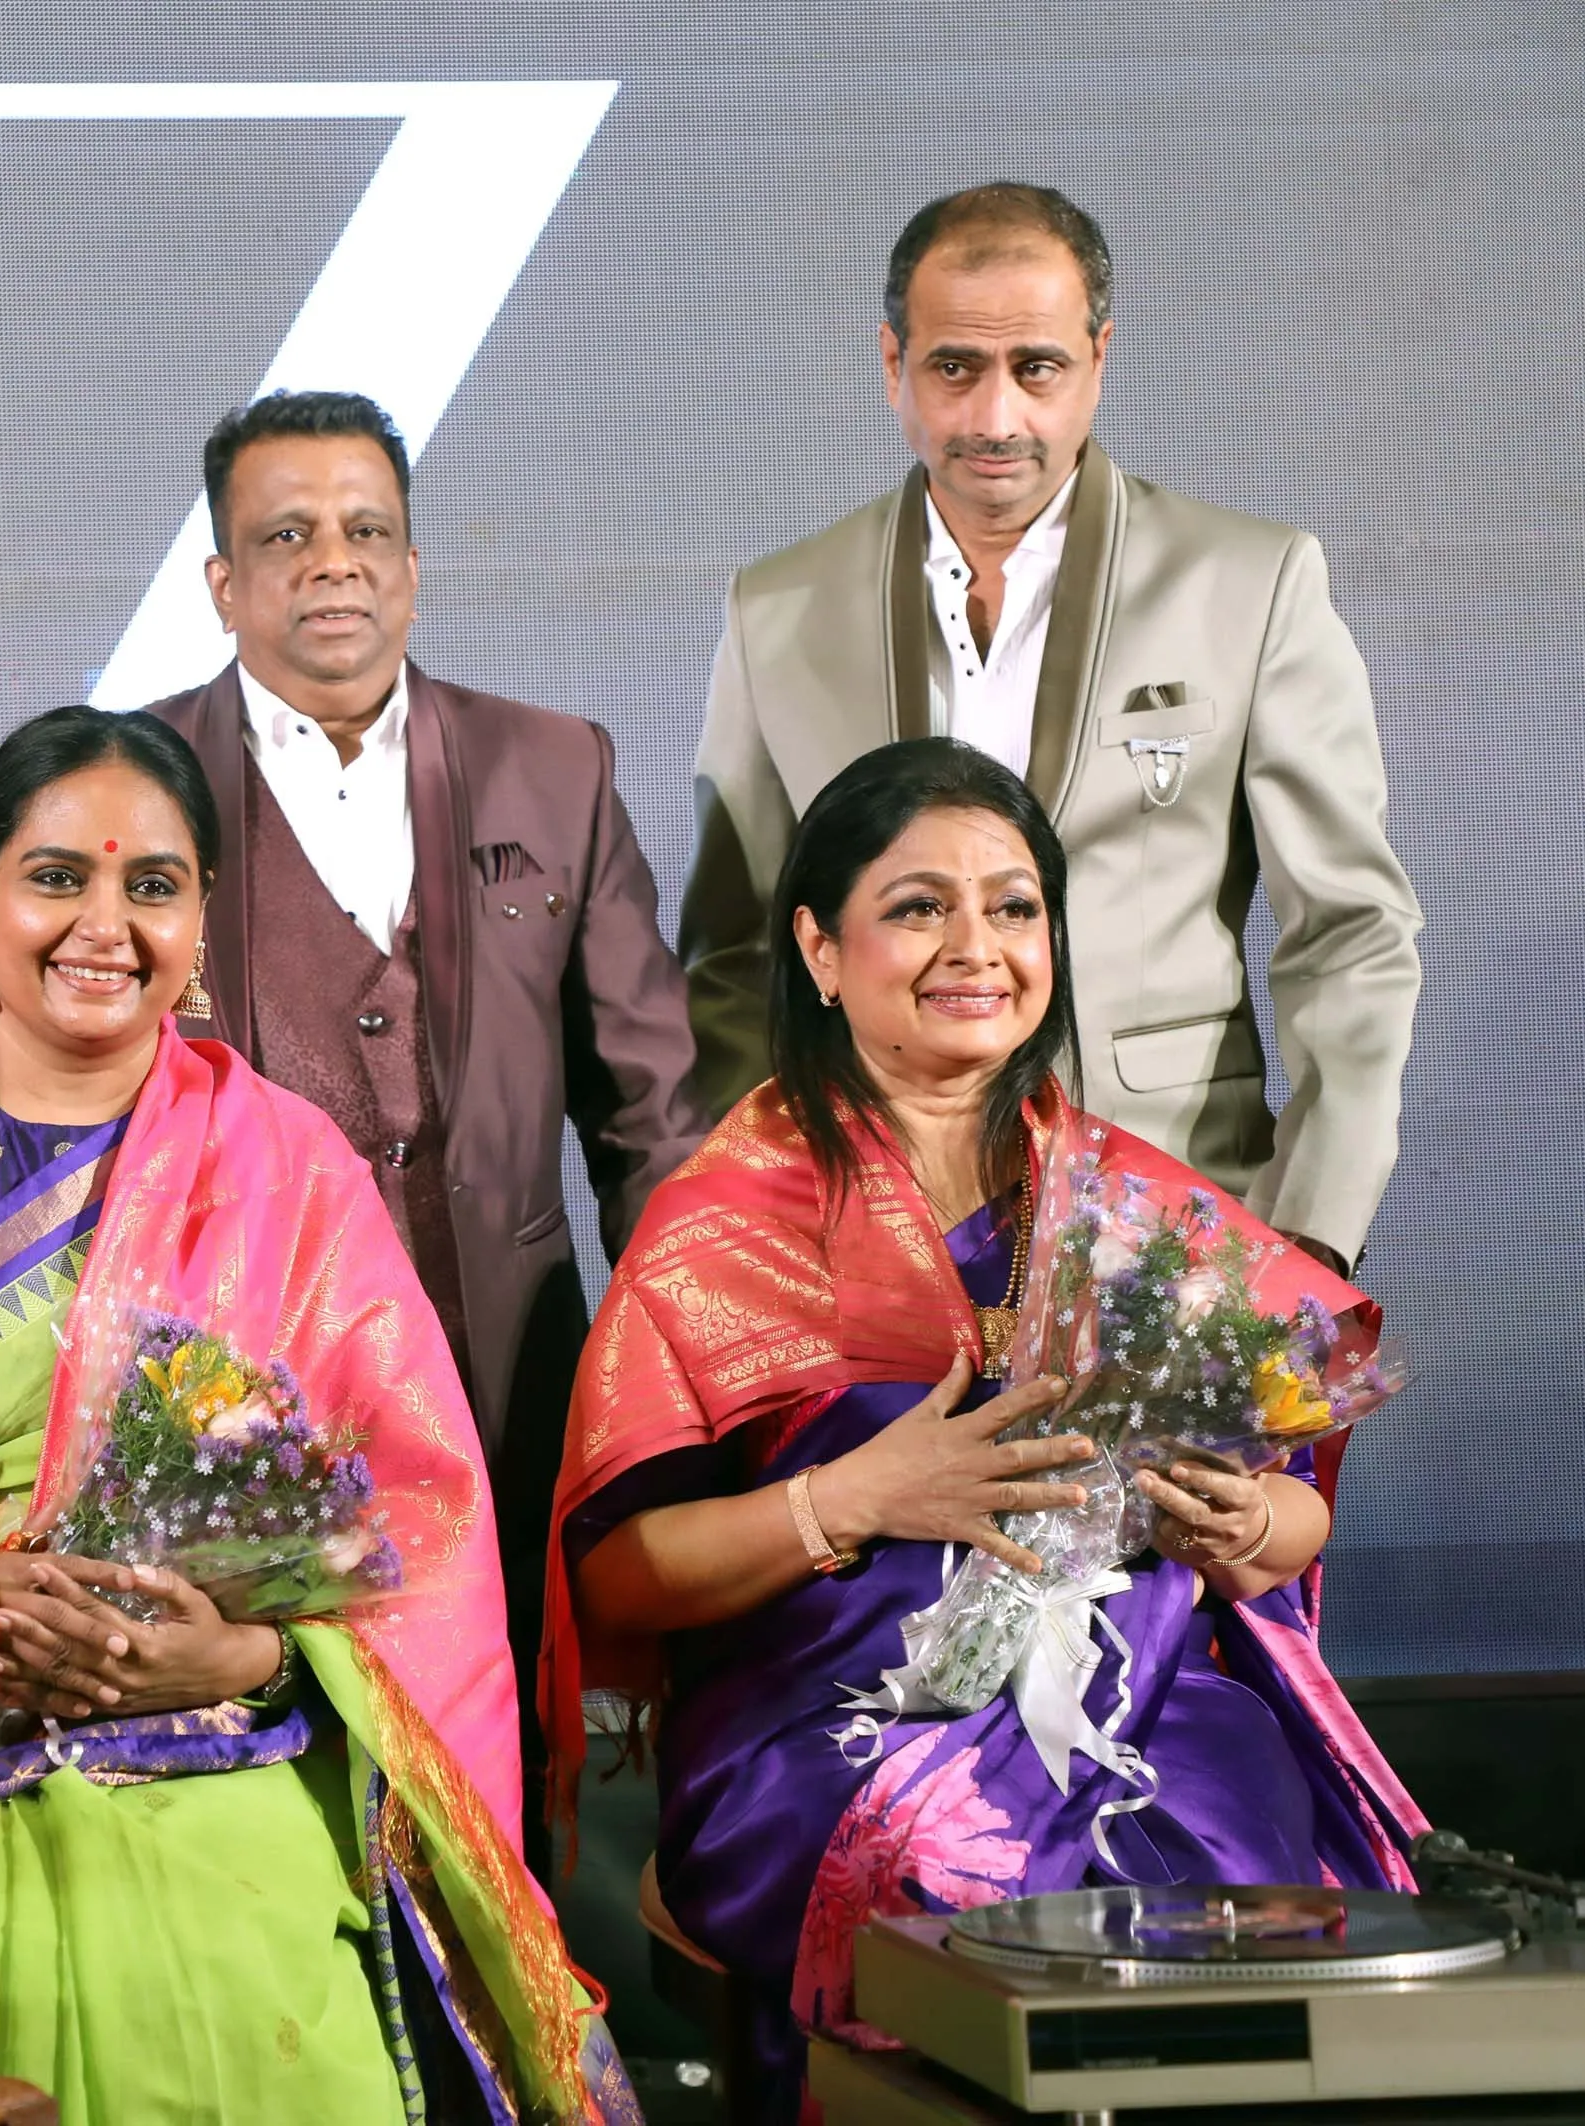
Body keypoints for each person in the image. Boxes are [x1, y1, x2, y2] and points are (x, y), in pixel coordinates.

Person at [0, 708, 639, 2125]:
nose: (102, 923)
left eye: (150, 885)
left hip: (216, 1741)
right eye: (56, 877)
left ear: (199, 915)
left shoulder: (288, 1167)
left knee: (230, 1953)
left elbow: (418, 1524)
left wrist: (245, 1653)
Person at [546, 739, 1424, 2117]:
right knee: (962, 1888)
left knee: (1220, 1885)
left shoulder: (1140, 1209)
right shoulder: (722, 1222)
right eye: (915, 906)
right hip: (823, 1718)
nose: (976, 946)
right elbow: (616, 1571)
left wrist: (1245, 1521)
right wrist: (849, 1499)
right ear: (818, 948)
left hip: (1141, 1700)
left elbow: (1288, 1517)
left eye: (1012, 907)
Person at [145, 389, 708, 1863]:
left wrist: (678, 1400)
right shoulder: (130, 782)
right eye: (284, 535)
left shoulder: (551, 765)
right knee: (265, 1787)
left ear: (410, 564)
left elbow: (648, 1116)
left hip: (506, 1377)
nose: (330, 563)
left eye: (363, 530)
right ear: (222, 582)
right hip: (226, 1398)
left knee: (500, 1781)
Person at [680, 184, 1420, 1276]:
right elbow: (732, 956)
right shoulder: (777, 608)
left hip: (1174, 1215)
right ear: (891, 364)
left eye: (1034, 366)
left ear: (1096, 359)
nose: (993, 417)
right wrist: (772, 1214)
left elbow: (1349, 932)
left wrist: (1307, 1232)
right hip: (871, 1241)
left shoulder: (1249, 583)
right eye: (952, 368)